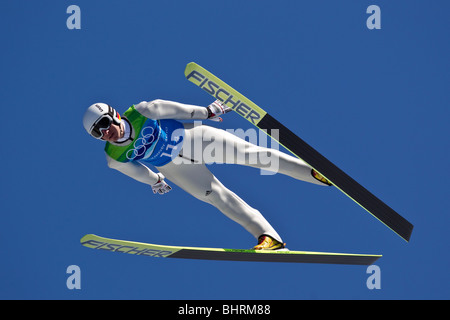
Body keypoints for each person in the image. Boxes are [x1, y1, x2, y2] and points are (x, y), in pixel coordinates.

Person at [82, 99, 332, 250]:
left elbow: (178, 110)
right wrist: (155, 180)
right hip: (174, 167)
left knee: (252, 154)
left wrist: (207, 112)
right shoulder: (113, 157)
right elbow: (135, 171)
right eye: (97, 133)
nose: (105, 133)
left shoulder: (143, 111)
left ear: (114, 114)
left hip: (194, 140)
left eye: (103, 124)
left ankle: (313, 172)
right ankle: (269, 238)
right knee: (216, 196)